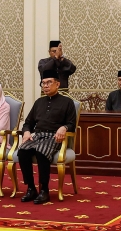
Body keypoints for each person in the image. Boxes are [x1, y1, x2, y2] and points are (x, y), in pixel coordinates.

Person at [17, 68, 77, 205]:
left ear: (57, 84)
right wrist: (26, 132)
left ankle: (44, 190)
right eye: (43, 83)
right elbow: (28, 123)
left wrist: (64, 127)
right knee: (23, 151)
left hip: (55, 137)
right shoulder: (39, 102)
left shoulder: (67, 102)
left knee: (41, 152)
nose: (45, 85)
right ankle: (31, 188)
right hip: (38, 135)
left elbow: (72, 124)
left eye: (49, 82)